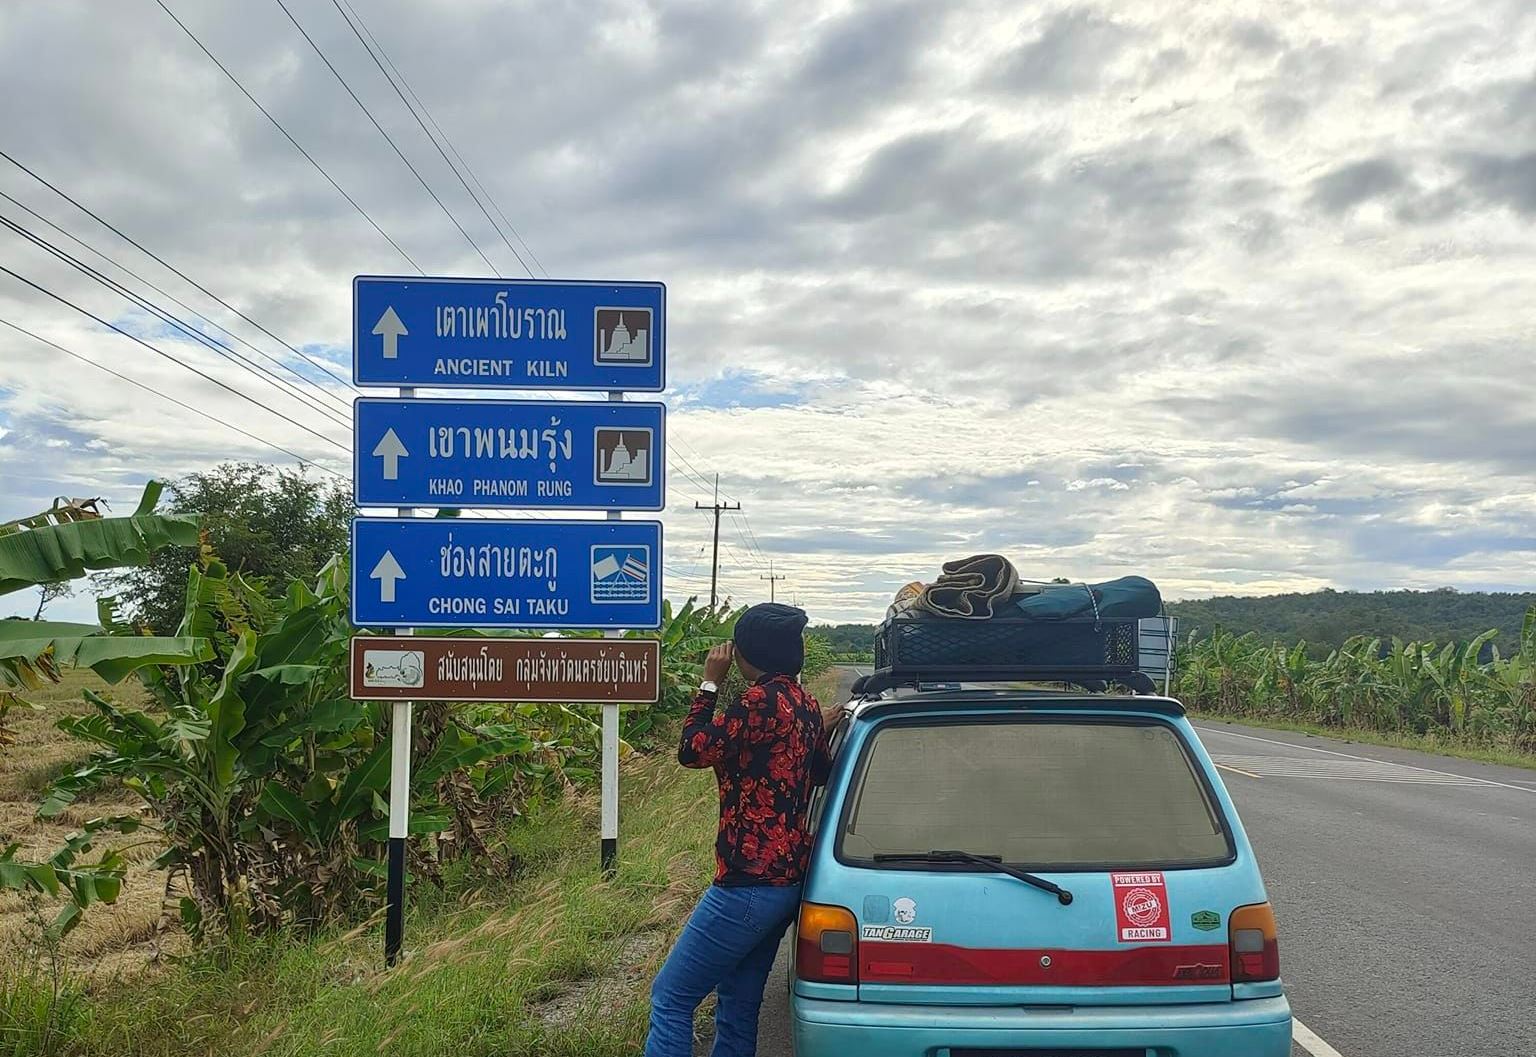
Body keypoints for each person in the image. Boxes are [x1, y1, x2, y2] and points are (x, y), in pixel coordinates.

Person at [645, 602, 843, 1057]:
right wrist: (817, 730)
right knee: (737, 1002)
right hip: (787, 880)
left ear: (746, 651)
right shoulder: (805, 704)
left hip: (746, 881)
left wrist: (709, 682)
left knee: (671, 997)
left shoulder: (758, 702)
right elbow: (818, 772)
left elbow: (693, 750)